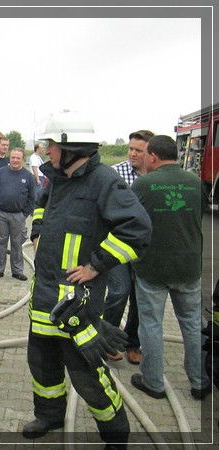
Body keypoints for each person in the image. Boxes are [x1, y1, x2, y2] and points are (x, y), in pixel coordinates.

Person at [24, 129, 152, 449]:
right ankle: (50, 414)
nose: (47, 150)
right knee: (41, 363)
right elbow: (41, 207)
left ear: (72, 147)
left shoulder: (103, 181)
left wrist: (96, 265)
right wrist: (38, 233)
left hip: (76, 304)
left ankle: (115, 434)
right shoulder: (56, 178)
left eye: (52, 145)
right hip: (43, 299)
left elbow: (137, 228)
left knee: (88, 376)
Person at [130, 135, 211, 401]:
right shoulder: (196, 183)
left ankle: (153, 383)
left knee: (151, 326)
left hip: (153, 268)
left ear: (153, 156)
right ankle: (200, 382)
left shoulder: (144, 184)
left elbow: (131, 220)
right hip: (188, 268)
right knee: (192, 325)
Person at [104, 130, 154, 364]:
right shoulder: (118, 174)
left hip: (145, 250)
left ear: (151, 154)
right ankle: (107, 341)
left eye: (138, 150)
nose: (133, 154)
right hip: (118, 245)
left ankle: (133, 343)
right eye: (130, 149)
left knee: (139, 297)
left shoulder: (157, 177)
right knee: (119, 291)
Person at [0, 148, 35, 281]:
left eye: (18, 158)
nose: (15, 160)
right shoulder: (0, 173)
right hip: (1, 215)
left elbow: (32, 198)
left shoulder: (28, 176)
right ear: (10, 158)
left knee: (17, 244)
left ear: (22, 159)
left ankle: (17, 270)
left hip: (18, 216)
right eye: (13, 157)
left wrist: (24, 214)